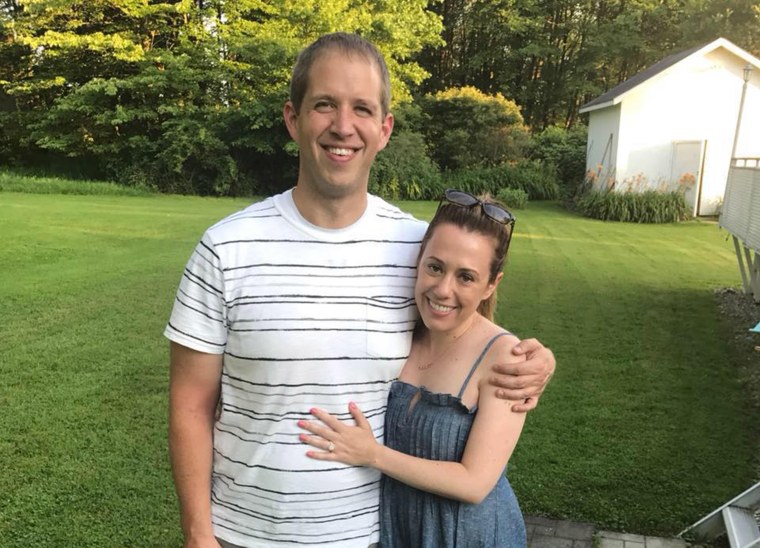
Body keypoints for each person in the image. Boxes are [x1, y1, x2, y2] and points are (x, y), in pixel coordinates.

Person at [166, 32, 555, 548]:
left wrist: (535, 361)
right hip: (244, 532)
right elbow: (190, 404)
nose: (342, 126)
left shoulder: (418, 252)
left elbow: (471, 331)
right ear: (293, 118)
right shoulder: (226, 248)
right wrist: (198, 533)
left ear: (385, 128)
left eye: (362, 109)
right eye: (324, 104)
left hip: (371, 536)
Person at [299, 190, 529, 546]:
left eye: (466, 277)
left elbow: (474, 483)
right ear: (418, 261)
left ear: (490, 285)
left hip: (468, 536)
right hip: (403, 532)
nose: (442, 289)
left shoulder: (505, 360)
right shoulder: (401, 331)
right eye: (435, 267)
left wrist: (373, 454)